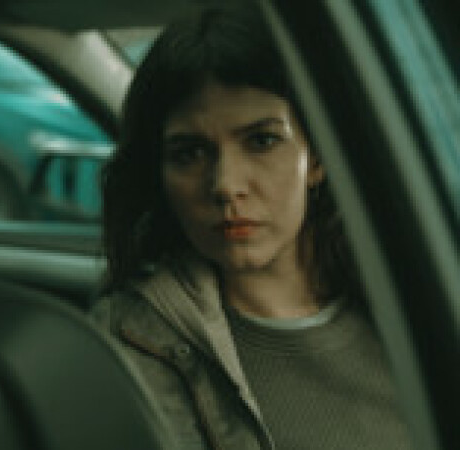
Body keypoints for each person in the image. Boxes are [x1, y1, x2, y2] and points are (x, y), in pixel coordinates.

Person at [92, 4, 412, 450]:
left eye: (262, 141)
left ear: (316, 159)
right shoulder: (136, 338)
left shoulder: (413, 294)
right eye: (189, 153)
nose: (226, 185)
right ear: (158, 174)